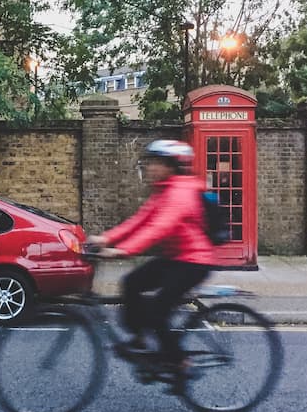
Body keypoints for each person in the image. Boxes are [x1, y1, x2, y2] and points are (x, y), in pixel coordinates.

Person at [88, 139, 218, 371]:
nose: (149, 168)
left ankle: (179, 362)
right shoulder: (163, 191)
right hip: (176, 257)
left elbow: (158, 228)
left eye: (155, 163)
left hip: (194, 262)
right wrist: (105, 238)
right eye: (149, 163)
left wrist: (123, 251)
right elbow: (139, 221)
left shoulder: (181, 193)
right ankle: (139, 339)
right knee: (131, 282)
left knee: (158, 310)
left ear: (171, 166)